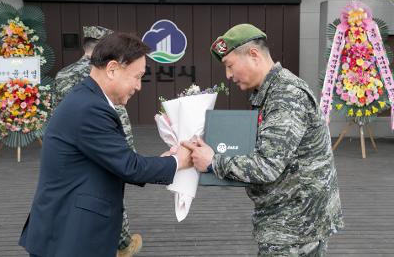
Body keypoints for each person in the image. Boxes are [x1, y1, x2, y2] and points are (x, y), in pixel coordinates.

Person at [19, 32, 192, 257]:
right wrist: (179, 161)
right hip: (68, 237)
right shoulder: (89, 108)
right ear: (112, 69)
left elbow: (115, 160)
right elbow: (130, 167)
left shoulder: (88, 99)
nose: (139, 86)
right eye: (137, 76)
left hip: (70, 230)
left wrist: (165, 161)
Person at [183, 24, 344, 256]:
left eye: (229, 66)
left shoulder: (286, 95)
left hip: (294, 225)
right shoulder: (273, 91)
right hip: (292, 217)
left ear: (254, 55)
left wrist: (213, 161)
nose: (228, 76)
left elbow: (267, 166)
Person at [54, 26, 140, 257]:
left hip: (71, 152)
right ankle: (121, 244)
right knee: (110, 194)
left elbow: (57, 115)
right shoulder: (105, 73)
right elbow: (118, 116)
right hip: (108, 146)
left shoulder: (63, 74)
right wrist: (129, 156)